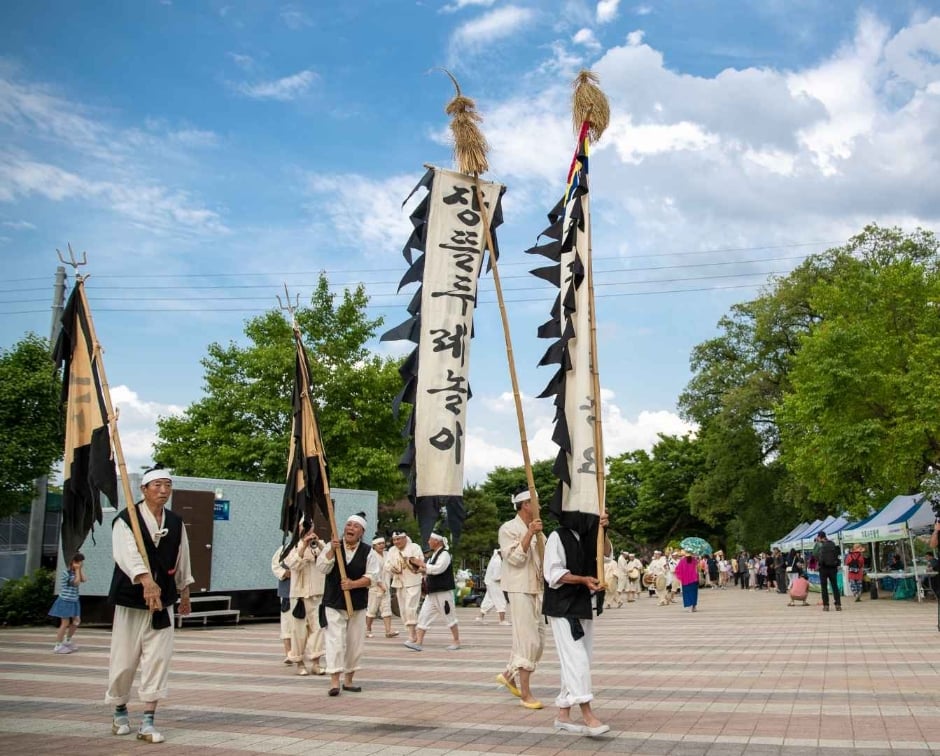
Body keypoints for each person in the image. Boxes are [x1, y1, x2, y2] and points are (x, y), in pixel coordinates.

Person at [106, 467, 193, 744]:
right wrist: (145, 580)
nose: (163, 490)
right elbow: (126, 554)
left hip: (163, 602)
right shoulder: (125, 520)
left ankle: (148, 721)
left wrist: (185, 591)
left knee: (158, 660)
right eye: (157, 485)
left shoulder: (176, 522)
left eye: (168, 485)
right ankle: (120, 710)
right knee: (124, 659)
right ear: (144, 489)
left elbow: (183, 556)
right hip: (131, 601)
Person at [542, 512, 610, 737]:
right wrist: (582, 579)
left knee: (577, 660)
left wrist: (603, 529)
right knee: (577, 660)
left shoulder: (592, 535)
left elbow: (607, 554)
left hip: (584, 606)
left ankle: (563, 714)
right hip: (563, 607)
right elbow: (553, 573)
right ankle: (587, 714)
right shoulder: (556, 536)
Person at [316, 512, 381, 696]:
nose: (350, 528)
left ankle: (349, 680)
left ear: (361, 532)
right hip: (334, 601)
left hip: (357, 604)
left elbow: (373, 577)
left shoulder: (369, 552)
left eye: (355, 526)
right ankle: (334, 682)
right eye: (348, 525)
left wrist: (353, 584)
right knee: (334, 641)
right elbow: (322, 567)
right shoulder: (333, 546)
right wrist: (330, 551)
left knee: (355, 643)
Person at [496, 489, 545, 710]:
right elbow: (515, 559)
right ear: (525, 505)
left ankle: (508, 674)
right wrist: (529, 534)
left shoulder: (540, 530)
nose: (540, 506)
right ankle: (526, 694)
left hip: (537, 589)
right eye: (535, 502)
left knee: (538, 642)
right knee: (528, 641)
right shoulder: (508, 528)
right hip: (518, 588)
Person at [404, 533, 461, 651]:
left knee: (449, 616)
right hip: (432, 592)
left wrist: (421, 564)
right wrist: (416, 568)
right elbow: (427, 569)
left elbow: (438, 569)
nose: (428, 541)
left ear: (437, 541)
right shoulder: (433, 555)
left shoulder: (445, 554)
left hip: (443, 592)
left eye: (430, 539)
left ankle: (456, 641)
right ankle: (418, 642)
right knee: (424, 615)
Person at [284, 521, 327, 676]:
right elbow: (292, 564)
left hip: (317, 593)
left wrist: (320, 546)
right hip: (299, 595)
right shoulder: (293, 546)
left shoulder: (320, 544)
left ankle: (316, 662)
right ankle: (299, 663)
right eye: (304, 527)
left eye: (310, 527)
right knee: (298, 630)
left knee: (318, 629)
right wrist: (303, 546)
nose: (307, 530)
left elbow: (330, 562)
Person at [385, 531, 424, 644]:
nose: (396, 542)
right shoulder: (392, 550)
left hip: (413, 581)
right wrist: (393, 568)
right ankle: (412, 632)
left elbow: (420, 561)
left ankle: (412, 635)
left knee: (410, 607)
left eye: (399, 539)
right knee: (402, 610)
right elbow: (387, 564)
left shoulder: (415, 547)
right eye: (395, 540)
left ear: (405, 538)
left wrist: (408, 561)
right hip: (399, 582)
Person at [49, 551, 86, 653]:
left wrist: (79, 570)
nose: (82, 564)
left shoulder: (76, 572)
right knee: (65, 623)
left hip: (74, 600)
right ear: (74, 562)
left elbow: (84, 579)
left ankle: (67, 640)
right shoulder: (66, 573)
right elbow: (76, 582)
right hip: (65, 601)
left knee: (76, 621)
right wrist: (78, 570)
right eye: (80, 562)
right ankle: (58, 645)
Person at [365, 536, 399, 638]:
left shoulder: (387, 554)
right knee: (372, 609)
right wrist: (379, 584)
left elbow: (391, 568)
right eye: (379, 544)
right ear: (374, 545)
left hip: (386, 586)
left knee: (386, 609)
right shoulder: (371, 555)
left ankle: (388, 631)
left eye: (383, 543)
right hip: (375, 587)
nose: (381, 545)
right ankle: (368, 630)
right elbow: (371, 572)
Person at [270, 545, 292, 664]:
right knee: (286, 621)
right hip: (287, 590)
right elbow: (275, 564)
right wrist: (285, 572)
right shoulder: (285, 548)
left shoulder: (314, 546)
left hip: (305, 592)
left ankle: (300, 651)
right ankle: (288, 652)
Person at [477, 548, 510, 625]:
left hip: (490, 582)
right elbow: (496, 577)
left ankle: (480, 617)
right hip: (494, 584)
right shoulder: (497, 562)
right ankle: (502, 620)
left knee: (489, 600)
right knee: (501, 600)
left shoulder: (495, 559)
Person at [813, 531, 842, 612]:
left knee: (824, 587)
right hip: (833, 567)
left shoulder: (819, 544)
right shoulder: (832, 543)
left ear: (819, 537)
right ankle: (838, 605)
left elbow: (814, 554)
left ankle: (826, 606)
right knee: (835, 586)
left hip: (823, 568)